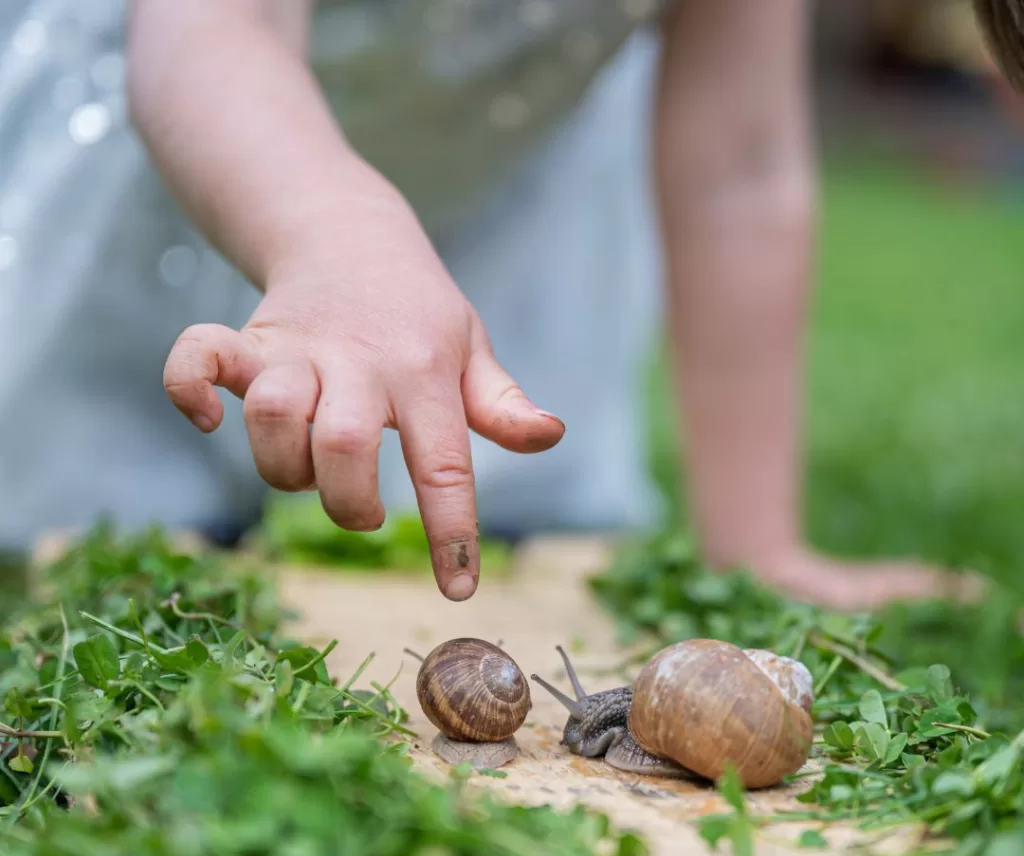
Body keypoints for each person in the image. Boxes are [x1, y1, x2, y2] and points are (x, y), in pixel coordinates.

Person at [1, 1, 1020, 610]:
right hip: (196, 154)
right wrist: (333, 232)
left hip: (492, 185)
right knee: (113, 503)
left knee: (493, 514)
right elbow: (218, 30)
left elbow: (738, 167)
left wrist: (754, 542)